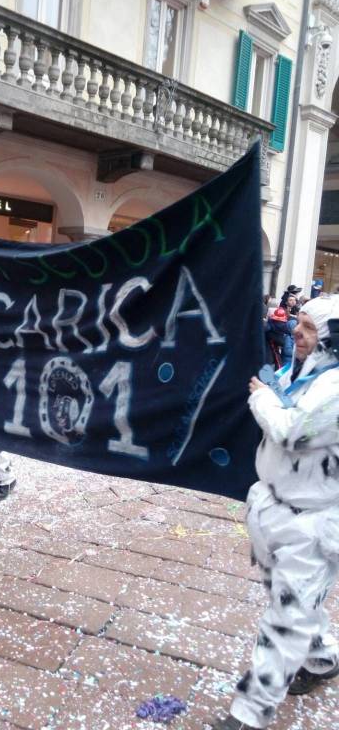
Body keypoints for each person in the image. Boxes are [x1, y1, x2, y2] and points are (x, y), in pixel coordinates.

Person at [213, 295, 339, 730]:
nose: (296, 333)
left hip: (312, 522)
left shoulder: (336, 386)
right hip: (273, 507)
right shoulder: (305, 370)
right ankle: (321, 656)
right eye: (297, 323)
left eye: (308, 327)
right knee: (289, 601)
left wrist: (263, 398)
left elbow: (291, 430)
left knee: (286, 616)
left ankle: (249, 714)